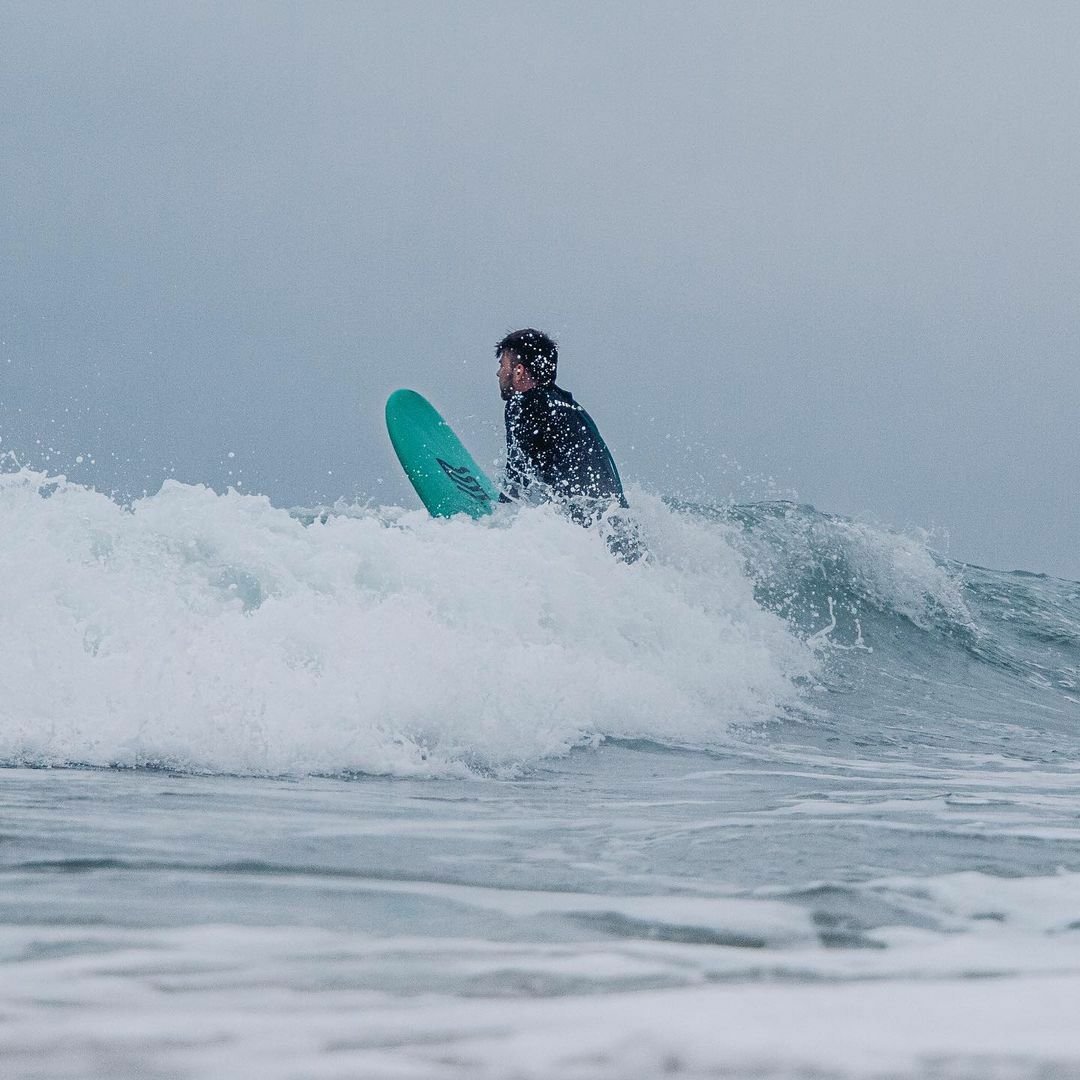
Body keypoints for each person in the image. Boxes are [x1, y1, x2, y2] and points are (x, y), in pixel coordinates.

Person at [495, 328, 643, 561]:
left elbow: (518, 475)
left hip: (585, 531)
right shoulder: (569, 406)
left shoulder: (524, 406)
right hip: (618, 530)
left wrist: (497, 519)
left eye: (503, 365)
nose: (498, 373)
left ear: (519, 370)